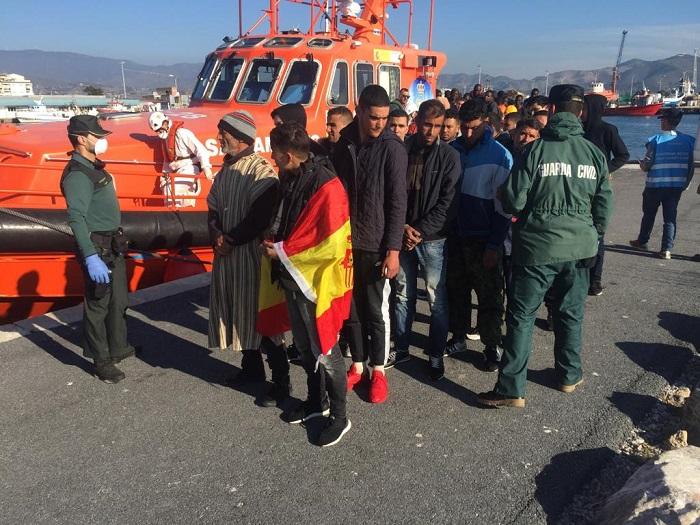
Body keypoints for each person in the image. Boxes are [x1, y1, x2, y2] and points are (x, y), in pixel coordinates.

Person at [477, 84, 614, 408]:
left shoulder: (535, 152)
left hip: (537, 247)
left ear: (551, 110)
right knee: (569, 313)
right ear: (580, 112)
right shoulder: (593, 153)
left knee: (522, 317)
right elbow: (604, 203)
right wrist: (593, 234)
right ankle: (568, 375)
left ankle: (512, 388)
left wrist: (520, 208)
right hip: (581, 247)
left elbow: (513, 199)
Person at [262, 122, 352, 447]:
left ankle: (341, 417)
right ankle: (317, 401)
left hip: (316, 282)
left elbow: (331, 241)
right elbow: (285, 218)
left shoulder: (328, 185)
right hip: (292, 275)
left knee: (327, 349)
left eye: (274, 154)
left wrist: (282, 250)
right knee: (303, 346)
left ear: (288, 155)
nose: (272, 159)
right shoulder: (291, 177)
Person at [207, 111, 290, 402]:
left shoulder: (261, 172)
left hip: (252, 258)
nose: (219, 138)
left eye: (223, 133)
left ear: (240, 137)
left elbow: (259, 218)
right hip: (229, 257)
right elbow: (213, 209)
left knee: (264, 320)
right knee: (238, 313)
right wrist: (216, 232)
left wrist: (229, 238)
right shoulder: (225, 170)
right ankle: (251, 368)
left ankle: (282, 382)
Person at [332, 84, 408, 404]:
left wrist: (393, 250)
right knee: (351, 311)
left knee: (376, 311)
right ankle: (358, 364)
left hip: (377, 243)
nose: (379, 124)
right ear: (360, 110)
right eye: (374, 117)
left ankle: (378, 371)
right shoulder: (344, 143)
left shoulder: (392, 149)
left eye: (384, 118)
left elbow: (397, 203)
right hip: (348, 242)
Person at [60, 115, 137, 383]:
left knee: (118, 300)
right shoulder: (78, 175)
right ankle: (101, 360)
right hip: (97, 247)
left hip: (112, 243)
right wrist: (90, 256)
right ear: (82, 139)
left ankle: (118, 347)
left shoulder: (93, 167)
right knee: (98, 304)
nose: (102, 140)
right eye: (97, 136)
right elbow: (76, 218)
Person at [389, 100, 460, 379]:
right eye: (428, 124)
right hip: (403, 234)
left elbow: (448, 203)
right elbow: (392, 193)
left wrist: (418, 231)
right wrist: (404, 228)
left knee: (436, 299)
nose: (432, 131)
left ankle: (434, 354)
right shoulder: (402, 150)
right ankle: (403, 347)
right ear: (417, 121)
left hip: (432, 240)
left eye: (438, 126)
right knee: (403, 295)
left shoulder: (450, 158)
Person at [446, 98, 512, 372]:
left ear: (486, 124)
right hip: (456, 237)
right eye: (465, 128)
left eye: (474, 128)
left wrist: (494, 245)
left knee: (490, 297)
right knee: (456, 291)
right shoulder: (453, 150)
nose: (468, 133)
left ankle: (491, 345)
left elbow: (504, 208)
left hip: (484, 238)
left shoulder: (500, 156)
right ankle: (458, 335)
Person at [630, 107, 695, 260]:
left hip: (654, 186)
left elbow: (647, 164)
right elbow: (690, 166)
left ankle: (642, 240)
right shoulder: (690, 141)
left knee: (649, 214)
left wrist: (642, 165)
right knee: (670, 218)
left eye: (662, 119)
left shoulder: (655, 140)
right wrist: (686, 183)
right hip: (676, 186)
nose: (661, 122)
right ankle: (666, 249)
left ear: (666, 121)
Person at [582, 93, 630, 295]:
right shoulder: (578, 130)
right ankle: (579, 278)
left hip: (598, 188)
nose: (582, 112)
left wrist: (605, 171)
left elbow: (623, 155)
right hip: (579, 184)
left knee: (598, 234)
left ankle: (595, 280)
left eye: (584, 107)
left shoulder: (608, 130)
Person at [148, 111, 213, 207]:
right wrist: (164, 177)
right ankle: (173, 215)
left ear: (165, 123)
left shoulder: (183, 134)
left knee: (178, 192)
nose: (158, 134)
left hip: (190, 167)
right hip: (176, 169)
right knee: (168, 191)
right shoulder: (165, 140)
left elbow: (201, 150)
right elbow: (167, 161)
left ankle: (184, 214)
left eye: (160, 131)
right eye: (157, 132)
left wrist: (206, 168)